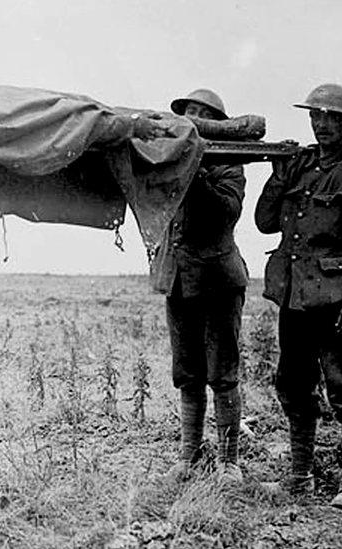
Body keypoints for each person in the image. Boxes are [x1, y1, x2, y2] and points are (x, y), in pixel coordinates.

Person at [254, 84, 342, 510]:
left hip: (338, 301)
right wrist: (279, 177)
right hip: (296, 297)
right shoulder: (298, 165)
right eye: (316, 116)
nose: (322, 124)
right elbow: (264, 222)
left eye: (332, 117)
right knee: (293, 385)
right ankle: (300, 477)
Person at [151, 89, 248, 482]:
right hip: (177, 280)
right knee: (187, 373)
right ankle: (189, 456)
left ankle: (229, 462)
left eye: (199, 114)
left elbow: (227, 212)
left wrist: (195, 171)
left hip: (217, 281)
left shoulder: (229, 164)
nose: (190, 118)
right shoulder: (168, 161)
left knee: (222, 373)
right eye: (187, 112)